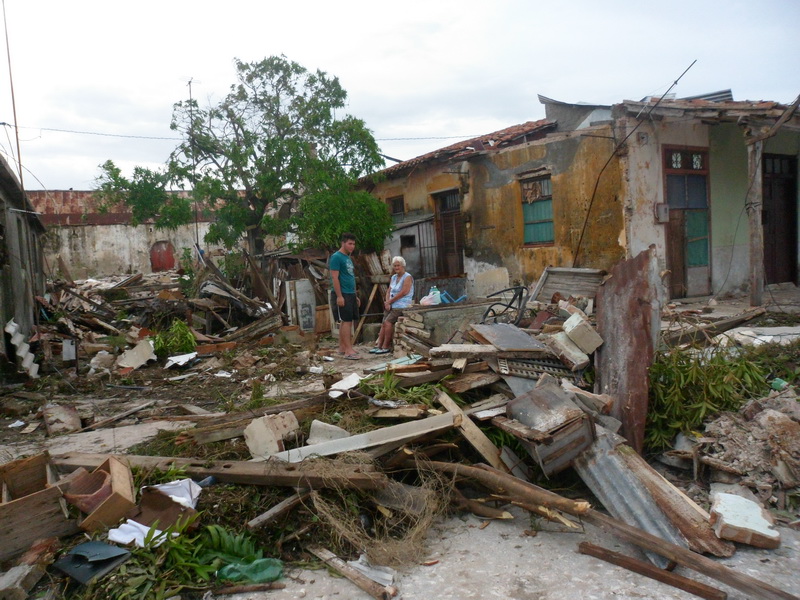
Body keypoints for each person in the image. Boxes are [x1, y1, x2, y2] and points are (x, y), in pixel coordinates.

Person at [371, 256, 414, 354]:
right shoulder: (394, 277)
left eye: (398, 265)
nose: (396, 267)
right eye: (394, 266)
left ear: (403, 266)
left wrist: (390, 301)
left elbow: (404, 292)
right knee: (383, 323)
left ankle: (386, 346)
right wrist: (387, 302)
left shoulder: (407, 277)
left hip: (402, 304)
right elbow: (389, 291)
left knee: (388, 322)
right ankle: (379, 345)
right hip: (391, 303)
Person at [329, 233, 361, 359]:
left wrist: (355, 295)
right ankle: (348, 350)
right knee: (347, 321)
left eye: (353, 244)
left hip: (350, 293)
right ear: (343, 243)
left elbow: (350, 277)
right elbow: (334, 277)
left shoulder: (347, 258)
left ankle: (342, 347)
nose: (352, 246)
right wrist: (339, 296)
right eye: (350, 243)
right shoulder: (336, 257)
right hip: (343, 293)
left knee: (347, 321)